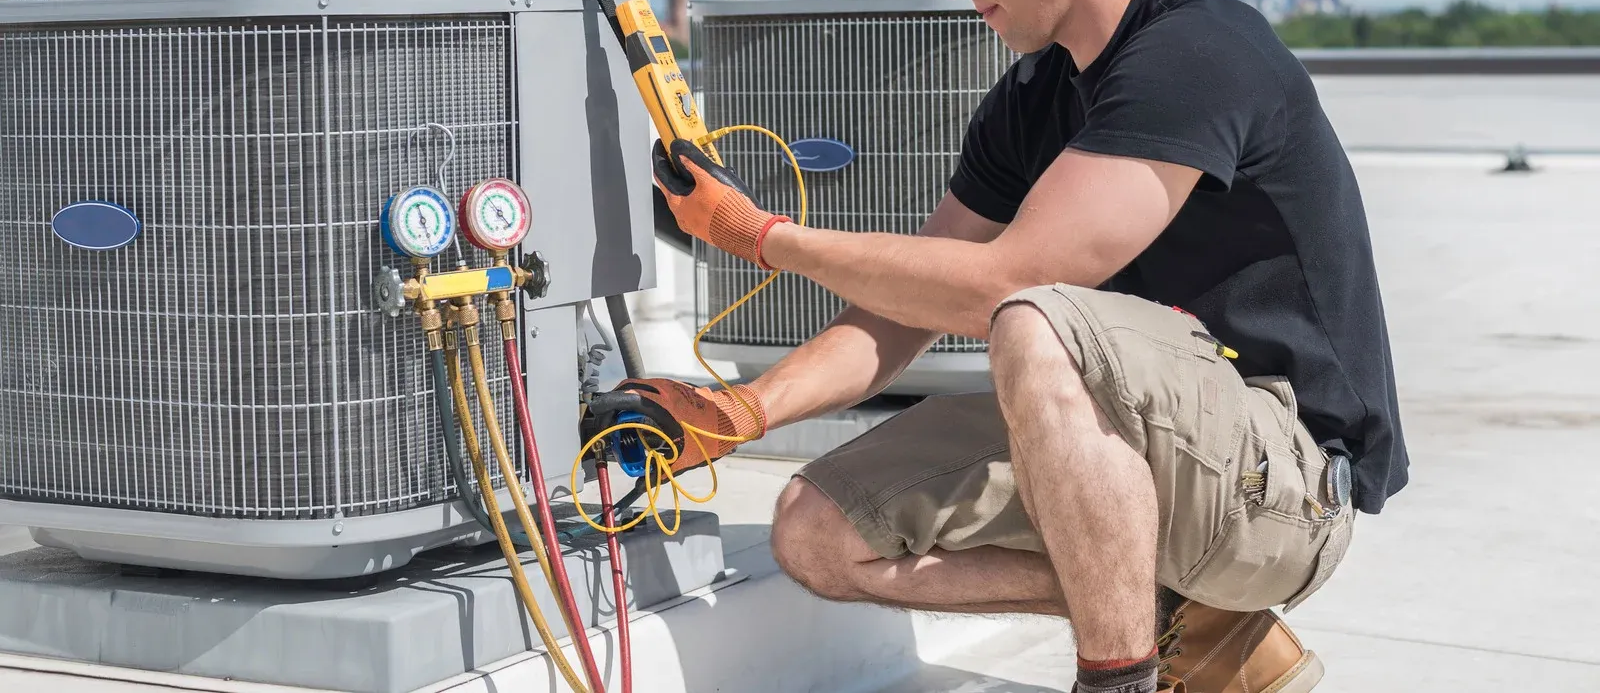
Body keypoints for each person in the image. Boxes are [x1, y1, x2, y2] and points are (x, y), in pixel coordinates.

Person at [591, 0, 1410, 690]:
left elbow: (1006, 284)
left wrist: (765, 236)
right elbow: (906, 309)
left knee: (1034, 322)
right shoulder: (1032, 97)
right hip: (1167, 459)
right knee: (817, 531)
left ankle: (1118, 679)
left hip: (1287, 485)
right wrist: (741, 408)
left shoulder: (1200, 49)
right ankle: (1188, 623)